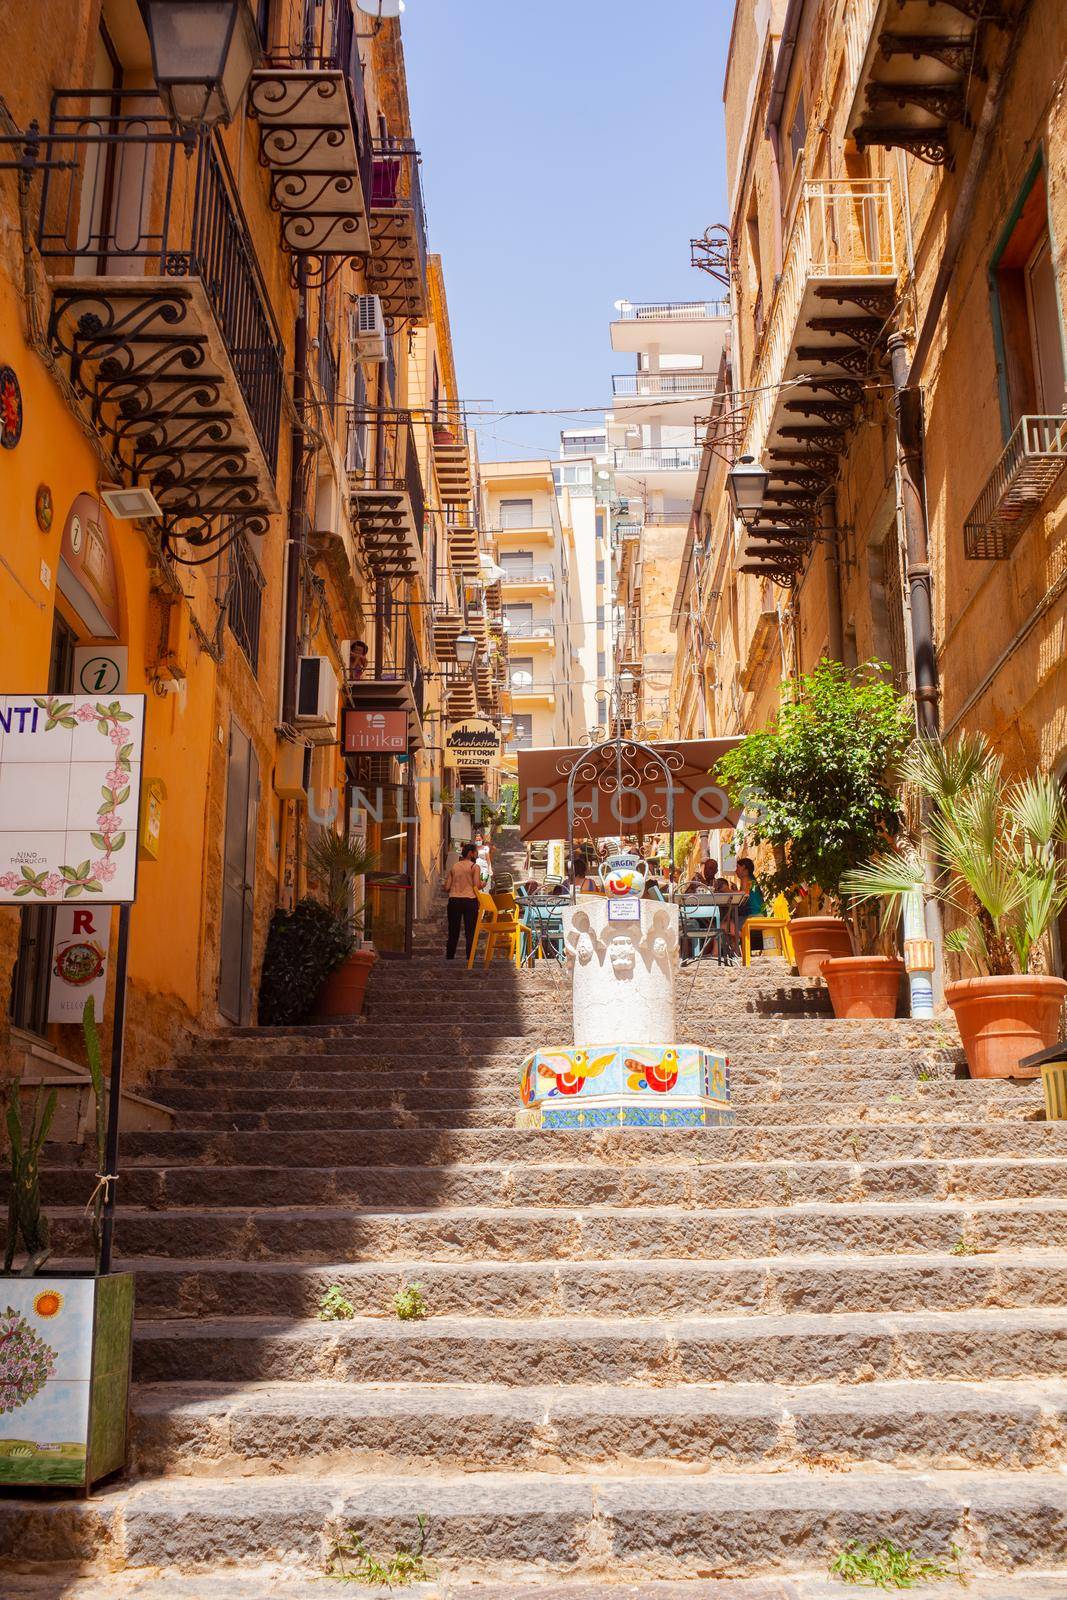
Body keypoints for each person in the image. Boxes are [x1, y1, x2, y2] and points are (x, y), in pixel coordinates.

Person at [443, 843, 481, 961]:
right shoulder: (474, 866)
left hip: (454, 900)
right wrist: (483, 884)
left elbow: (447, 887)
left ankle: (450, 958)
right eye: (475, 852)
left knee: (453, 931)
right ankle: (470, 959)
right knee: (470, 932)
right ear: (471, 853)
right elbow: (477, 885)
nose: (477, 854)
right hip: (470, 900)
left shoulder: (454, 866)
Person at [736, 857, 766, 953]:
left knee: (726, 925)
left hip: (754, 916)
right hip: (761, 914)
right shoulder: (752, 879)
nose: (735, 870)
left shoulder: (745, 878)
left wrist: (726, 890)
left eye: (737, 867)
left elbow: (743, 895)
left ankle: (743, 941)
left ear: (744, 867)